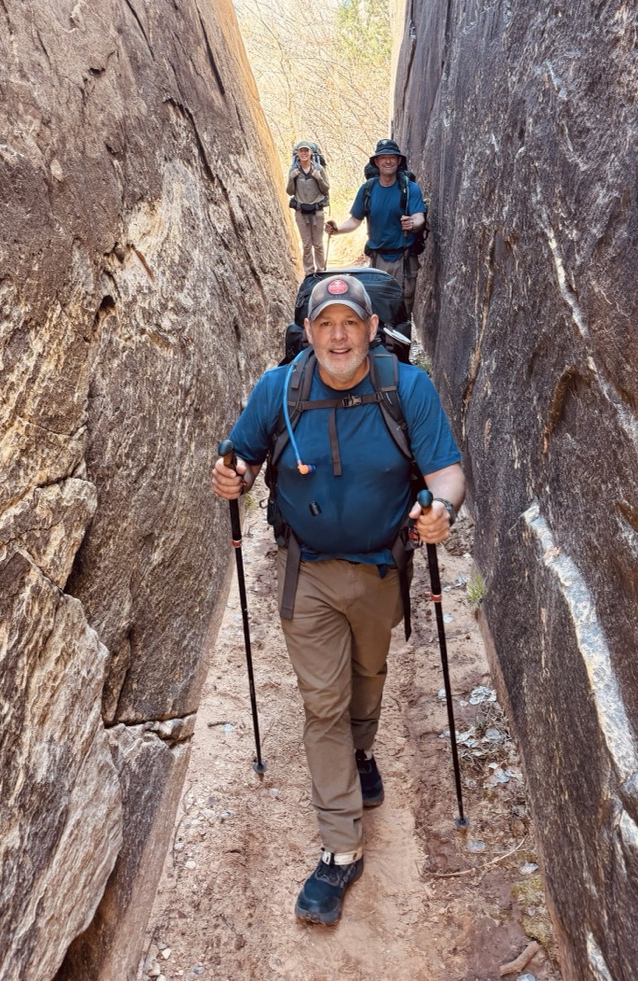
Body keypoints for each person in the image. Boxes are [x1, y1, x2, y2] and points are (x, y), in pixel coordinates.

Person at [211, 273, 465, 927]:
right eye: (326, 324)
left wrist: (440, 508)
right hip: (311, 572)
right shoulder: (281, 389)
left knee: (367, 677)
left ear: (372, 329)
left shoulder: (405, 388)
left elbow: (446, 472)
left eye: (350, 322)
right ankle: (340, 844)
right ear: (311, 332)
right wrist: (232, 476)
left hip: (383, 565)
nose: (339, 335)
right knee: (322, 701)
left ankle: (363, 750)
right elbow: (239, 455)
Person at [325, 138, 425, 315]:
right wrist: (337, 229)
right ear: (376, 162)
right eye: (383, 157)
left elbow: (419, 218)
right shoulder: (368, 189)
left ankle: (401, 342)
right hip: (377, 259)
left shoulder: (410, 189)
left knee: (402, 310)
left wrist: (412, 223)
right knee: (377, 308)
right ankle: (381, 342)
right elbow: (355, 220)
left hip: (404, 259)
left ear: (399, 161)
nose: (388, 161)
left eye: (392, 157)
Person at [287, 141, 330, 275]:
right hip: (301, 212)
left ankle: (321, 271)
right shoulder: (294, 171)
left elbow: (325, 189)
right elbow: (289, 191)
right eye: (301, 151)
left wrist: (318, 178)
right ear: (297, 153)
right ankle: (309, 273)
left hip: (317, 211)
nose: (304, 153)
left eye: (306, 151)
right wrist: (291, 178)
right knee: (306, 245)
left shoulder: (319, 169)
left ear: (311, 153)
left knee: (318, 244)